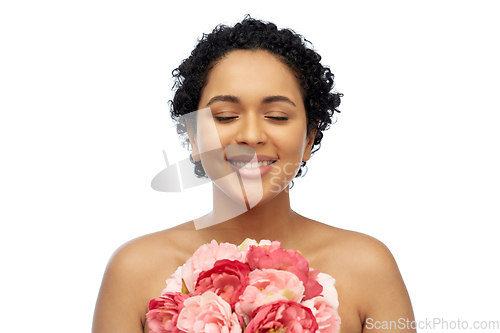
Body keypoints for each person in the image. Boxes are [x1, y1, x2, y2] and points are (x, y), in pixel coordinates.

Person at [92, 16, 415, 333]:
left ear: (310, 138)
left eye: (276, 116)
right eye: (226, 115)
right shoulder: (134, 271)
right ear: (193, 136)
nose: (250, 135)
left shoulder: (367, 268)